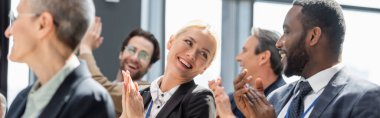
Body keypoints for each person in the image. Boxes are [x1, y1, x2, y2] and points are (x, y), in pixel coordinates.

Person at [234, 0, 380, 118]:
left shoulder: (365, 98)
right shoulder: (275, 98)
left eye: (287, 32)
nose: (278, 43)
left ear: (313, 36)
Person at [4, 0, 115, 117]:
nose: (8, 32)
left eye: (16, 17)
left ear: (43, 24)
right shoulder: (21, 100)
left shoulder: (90, 103)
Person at [120, 21, 218, 118]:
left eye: (203, 54)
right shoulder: (139, 94)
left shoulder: (201, 99)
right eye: (189, 42)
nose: (192, 55)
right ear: (171, 41)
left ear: (205, 67)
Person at [79, 17, 160, 116]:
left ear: (150, 66)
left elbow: (101, 87)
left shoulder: (143, 93)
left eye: (143, 55)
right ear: (121, 53)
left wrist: (85, 46)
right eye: (131, 49)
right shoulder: (114, 86)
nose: (135, 58)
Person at [209, 28, 285, 118]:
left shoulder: (287, 100)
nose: (238, 57)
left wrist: (227, 115)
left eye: (244, 51)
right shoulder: (231, 100)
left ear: (263, 57)